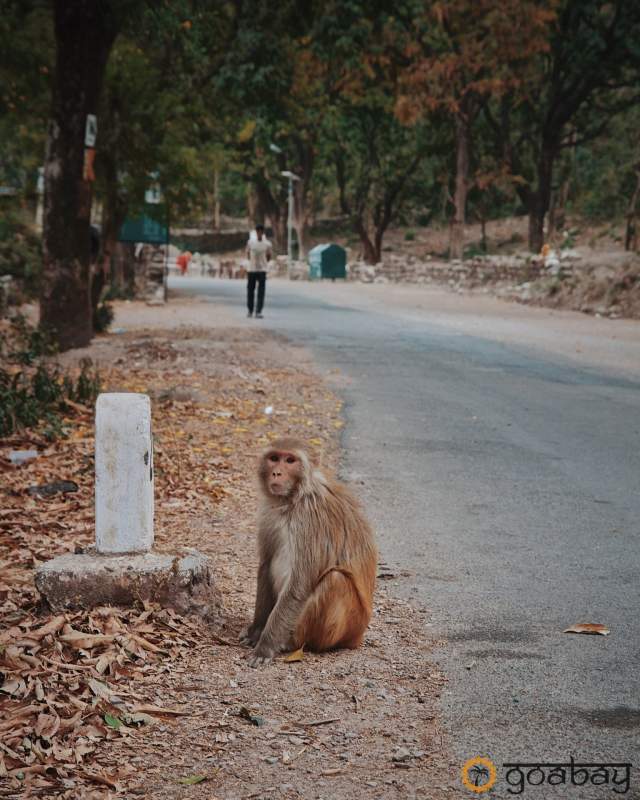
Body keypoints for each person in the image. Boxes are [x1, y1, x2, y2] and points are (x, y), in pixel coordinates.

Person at [246, 224, 272, 318]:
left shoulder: (267, 244)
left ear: (263, 232)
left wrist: (264, 263)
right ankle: (250, 310)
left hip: (262, 270)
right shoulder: (250, 243)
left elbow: (269, 255)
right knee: (250, 291)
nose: (259, 233)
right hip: (252, 269)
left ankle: (258, 311)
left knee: (261, 292)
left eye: (261, 231)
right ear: (256, 232)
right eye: (258, 231)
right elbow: (248, 254)